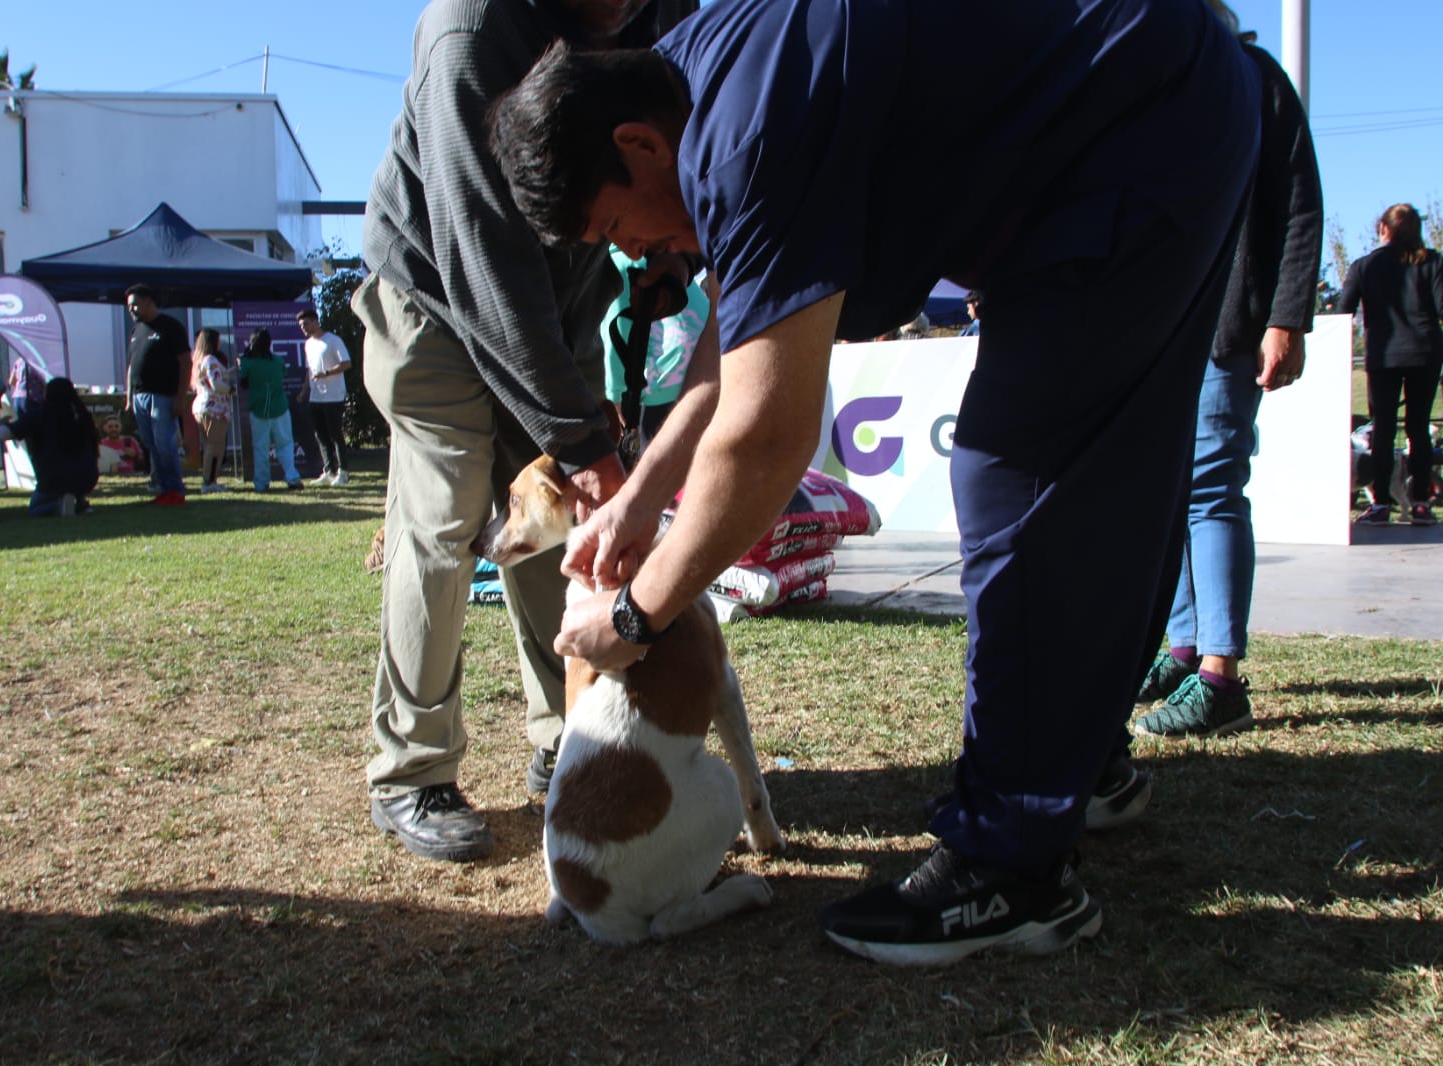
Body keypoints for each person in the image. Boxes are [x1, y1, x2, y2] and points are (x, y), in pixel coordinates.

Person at [489, 0, 1259, 964]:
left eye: (616, 227)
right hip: (1153, 95)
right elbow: (737, 340)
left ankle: (1012, 868)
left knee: (1018, 469)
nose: (635, 256)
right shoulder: (685, 86)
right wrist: (644, 492)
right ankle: (1079, 759)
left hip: (1140, 122)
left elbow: (767, 436)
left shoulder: (735, 138)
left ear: (637, 144)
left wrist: (636, 617)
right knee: (1108, 469)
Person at [355, 0, 697, 864]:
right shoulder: (471, 32)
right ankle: (414, 769)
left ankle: (570, 739)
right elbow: (481, 256)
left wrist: (667, 247)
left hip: (561, 293)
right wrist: (582, 440)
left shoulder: (665, 9)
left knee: (569, 530)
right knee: (445, 522)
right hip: (435, 293)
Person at [1130, 1, 1324, 741]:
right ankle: (1183, 650)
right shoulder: (1162, 88)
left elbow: (1301, 204)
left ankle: (1220, 678)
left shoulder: (1257, 80)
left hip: (1227, 328)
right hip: (1166, 329)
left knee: (1211, 488)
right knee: (1176, 492)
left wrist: (1287, 316)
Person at [1340, 203, 1443, 526]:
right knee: (1418, 428)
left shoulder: (1364, 266)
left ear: (1384, 229)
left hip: (1384, 356)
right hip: (1425, 353)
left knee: (1383, 429)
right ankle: (1421, 504)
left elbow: (1343, 311)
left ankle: (1381, 504)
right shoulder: (1431, 261)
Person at [601, 246, 711, 448]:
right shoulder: (664, 257)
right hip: (708, 357)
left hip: (671, 373)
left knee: (654, 458)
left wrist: (615, 397)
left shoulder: (615, 265)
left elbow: (617, 335)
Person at [123, 283, 190, 506]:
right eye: (129, 306)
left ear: (149, 302)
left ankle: (175, 489)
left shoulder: (171, 327)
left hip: (163, 396)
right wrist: (129, 396)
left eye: (135, 305)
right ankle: (163, 488)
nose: (131, 310)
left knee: (165, 443)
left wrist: (180, 397)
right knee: (151, 445)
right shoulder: (136, 330)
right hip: (139, 397)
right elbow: (132, 365)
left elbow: (184, 362)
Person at [6, 377, 99, 516]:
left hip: (53, 478)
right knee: (75, 469)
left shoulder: (39, 414)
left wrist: (3, 422)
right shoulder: (82, 415)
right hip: (87, 476)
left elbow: (7, 433)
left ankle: (57, 506)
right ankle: (79, 501)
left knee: (36, 509)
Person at [238, 328, 303, 492]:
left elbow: (243, 382)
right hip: (280, 407)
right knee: (286, 444)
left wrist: (243, 362)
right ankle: (292, 478)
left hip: (259, 409)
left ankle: (261, 483)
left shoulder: (247, 363)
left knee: (260, 447)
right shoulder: (277, 360)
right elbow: (282, 373)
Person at [296, 308, 352, 486]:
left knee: (335, 434)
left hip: (334, 396)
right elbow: (310, 370)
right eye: (301, 325)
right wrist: (304, 391)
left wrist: (326, 373)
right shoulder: (308, 344)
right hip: (316, 396)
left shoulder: (333, 341)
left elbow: (346, 363)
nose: (303, 328)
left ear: (315, 322)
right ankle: (329, 471)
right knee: (321, 435)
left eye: (305, 324)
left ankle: (343, 472)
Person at [190, 328, 234, 494]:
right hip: (214, 408)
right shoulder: (210, 360)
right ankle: (209, 481)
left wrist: (232, 372)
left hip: (202, 406)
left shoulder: (199, 360)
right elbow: (217, 384)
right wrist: (230, 389)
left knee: (210, 445)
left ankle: (210, 479)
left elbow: (219, 376)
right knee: (215, 446)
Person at [6, 355, 46, 420]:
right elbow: (43, 380)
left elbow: (11, 381)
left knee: (22, 424)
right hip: (31, 398)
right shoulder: (35, 362)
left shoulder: (18, 361)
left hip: (17, 398)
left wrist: (21, 385)